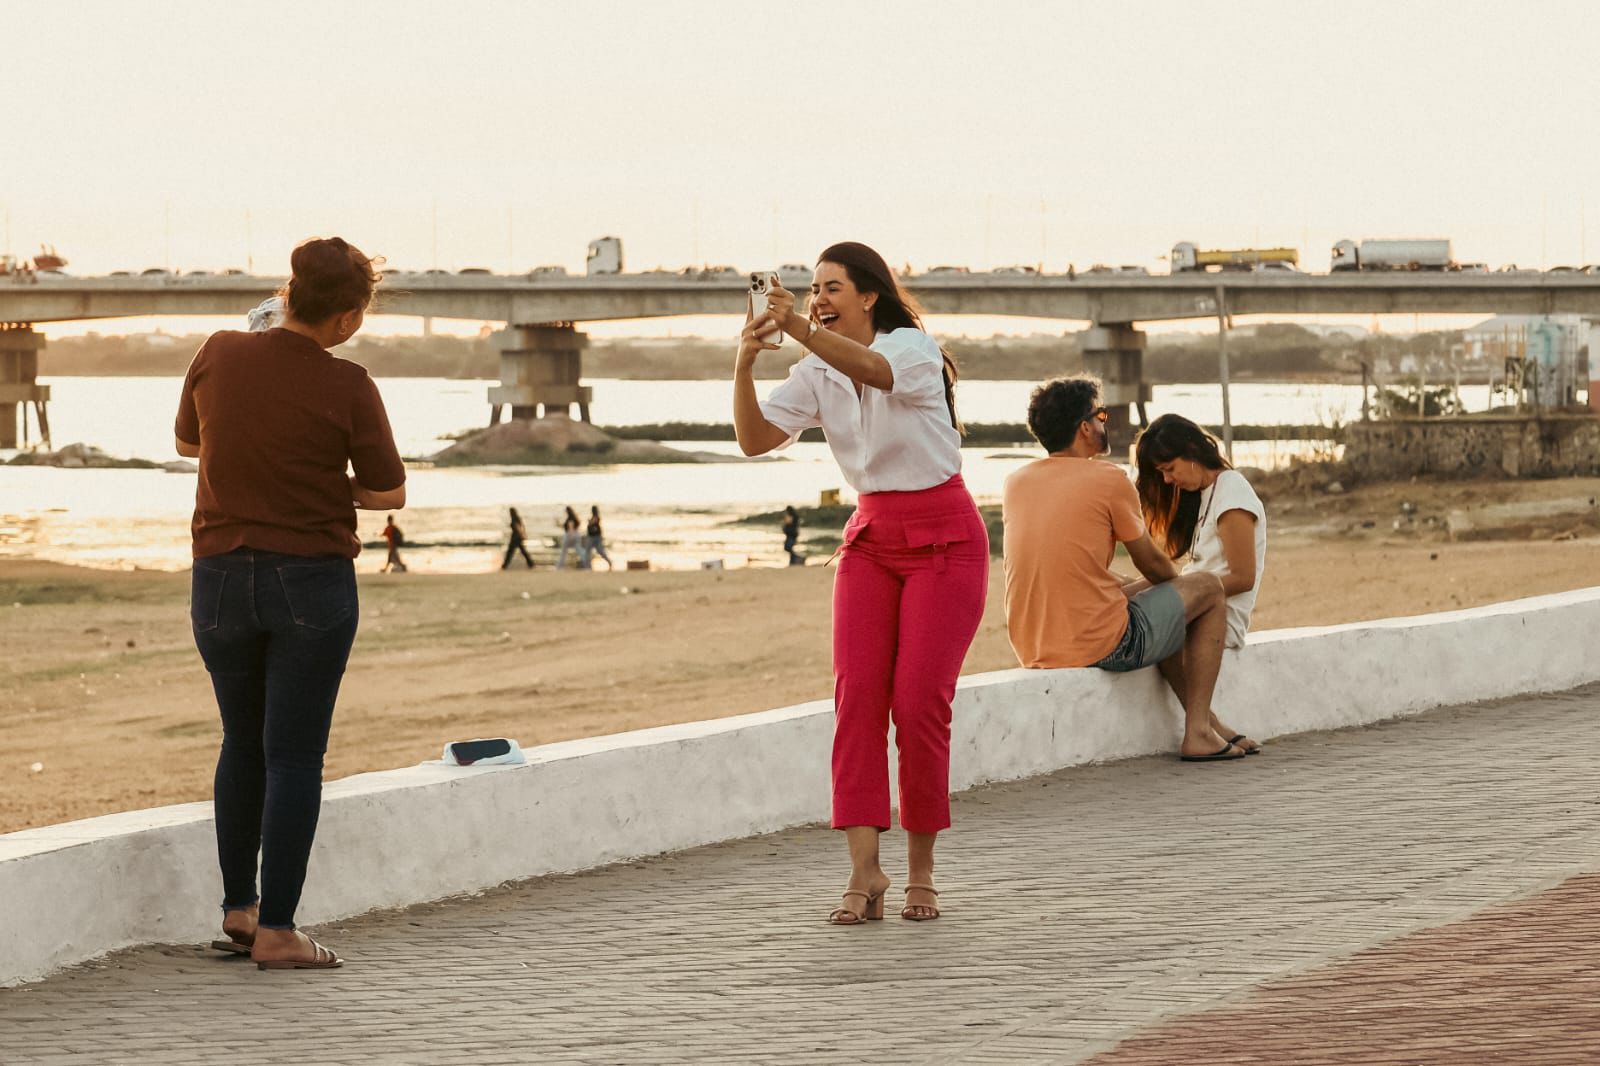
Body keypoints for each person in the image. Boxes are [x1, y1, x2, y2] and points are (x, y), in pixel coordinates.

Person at [734, 241, 987, 925]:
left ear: (870, 295)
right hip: (872, 541)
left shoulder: (910, 349)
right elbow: (756, 440)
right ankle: (864, 871)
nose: (818, 298)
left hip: (946, 539)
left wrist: (796, 328)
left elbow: (875, 372)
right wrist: (746, 361)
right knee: (857, 702)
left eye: (832, 287)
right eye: (812, 289)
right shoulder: (818, 369)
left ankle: (922, 872)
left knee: (920, 704)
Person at [175, 236, 404, 969]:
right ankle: (279, 929)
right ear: (344, 317)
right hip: (309, 580)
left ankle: (238, 909)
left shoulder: (218, 350)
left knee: (241, 742)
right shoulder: (349, 383)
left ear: (285, 292)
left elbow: (189, 444)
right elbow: (387, 493)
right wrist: (319, 484)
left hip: (217, 578)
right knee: (295, 756)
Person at [1001, 376, 1248, 763]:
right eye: (1100, 416)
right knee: (1207, 589)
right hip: (1101, 645)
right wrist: (1178, 585)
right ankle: (1198, 731)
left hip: (1032, 645)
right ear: (1085, 427)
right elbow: (1150, 561)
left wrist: (1149, 591)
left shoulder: (1016, 482)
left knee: (1163, 608)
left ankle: (1209, 721)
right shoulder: (1108, 478)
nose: (1105, 423)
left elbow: (1074, 568)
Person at [1134, 414, 1267, 753]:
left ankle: (1201, 729)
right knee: (1125, 589)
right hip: (1200, 603)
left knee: (1146, 605)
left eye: (1169, 468)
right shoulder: (1208, 493)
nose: (1167, 480)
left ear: (1192, 450)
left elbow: (1242, 577)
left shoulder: (1232, 491)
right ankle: (1210, 723)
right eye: (1161, 473)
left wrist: (1184, 593)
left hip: (1220, 614)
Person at [583, 505, 613, 570]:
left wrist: (589, 521)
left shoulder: (596, 517)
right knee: (592, 552)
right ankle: (588, 566)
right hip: (593, 537)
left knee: (598, 551)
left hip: (594, 537)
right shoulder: (595, 517)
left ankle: (588, 566)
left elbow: (592, 523)